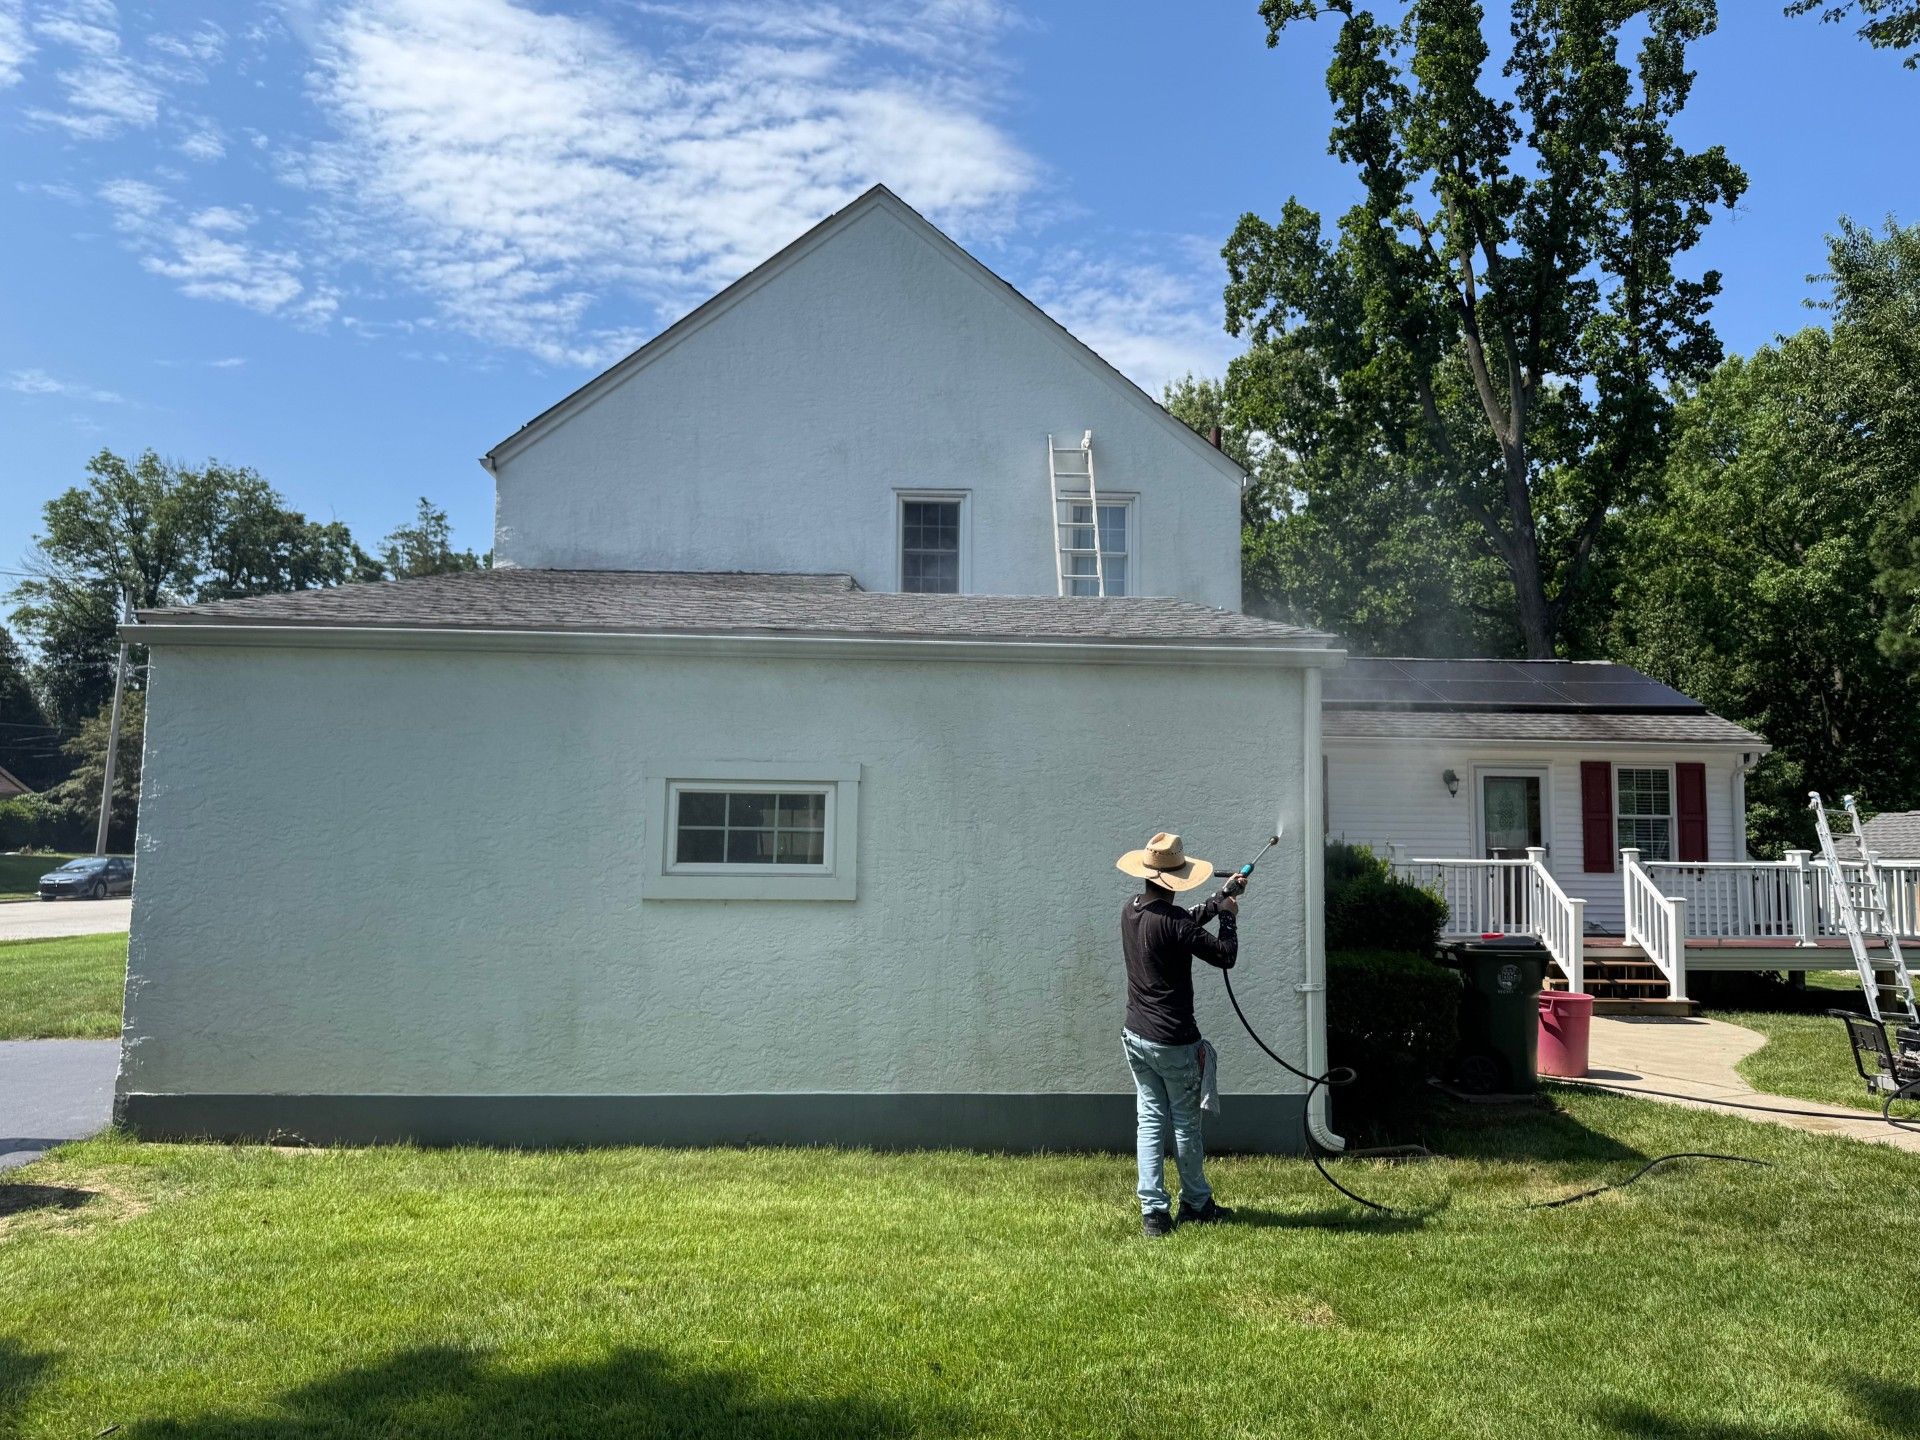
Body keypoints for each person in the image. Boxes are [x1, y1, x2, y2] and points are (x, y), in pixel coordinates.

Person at [1114, 831, 1238, 1237]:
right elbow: (1225, 955)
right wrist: (1230, 916)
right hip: (1174, 1042)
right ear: (1175, 879)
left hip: (1136, 1036)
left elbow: (1182, 921)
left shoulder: (1131, 910)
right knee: (1185, 1124)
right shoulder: (1174, 924)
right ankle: (1197, 1204)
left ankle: (1154, 1214)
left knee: (1149, 1120)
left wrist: (1219, 900)